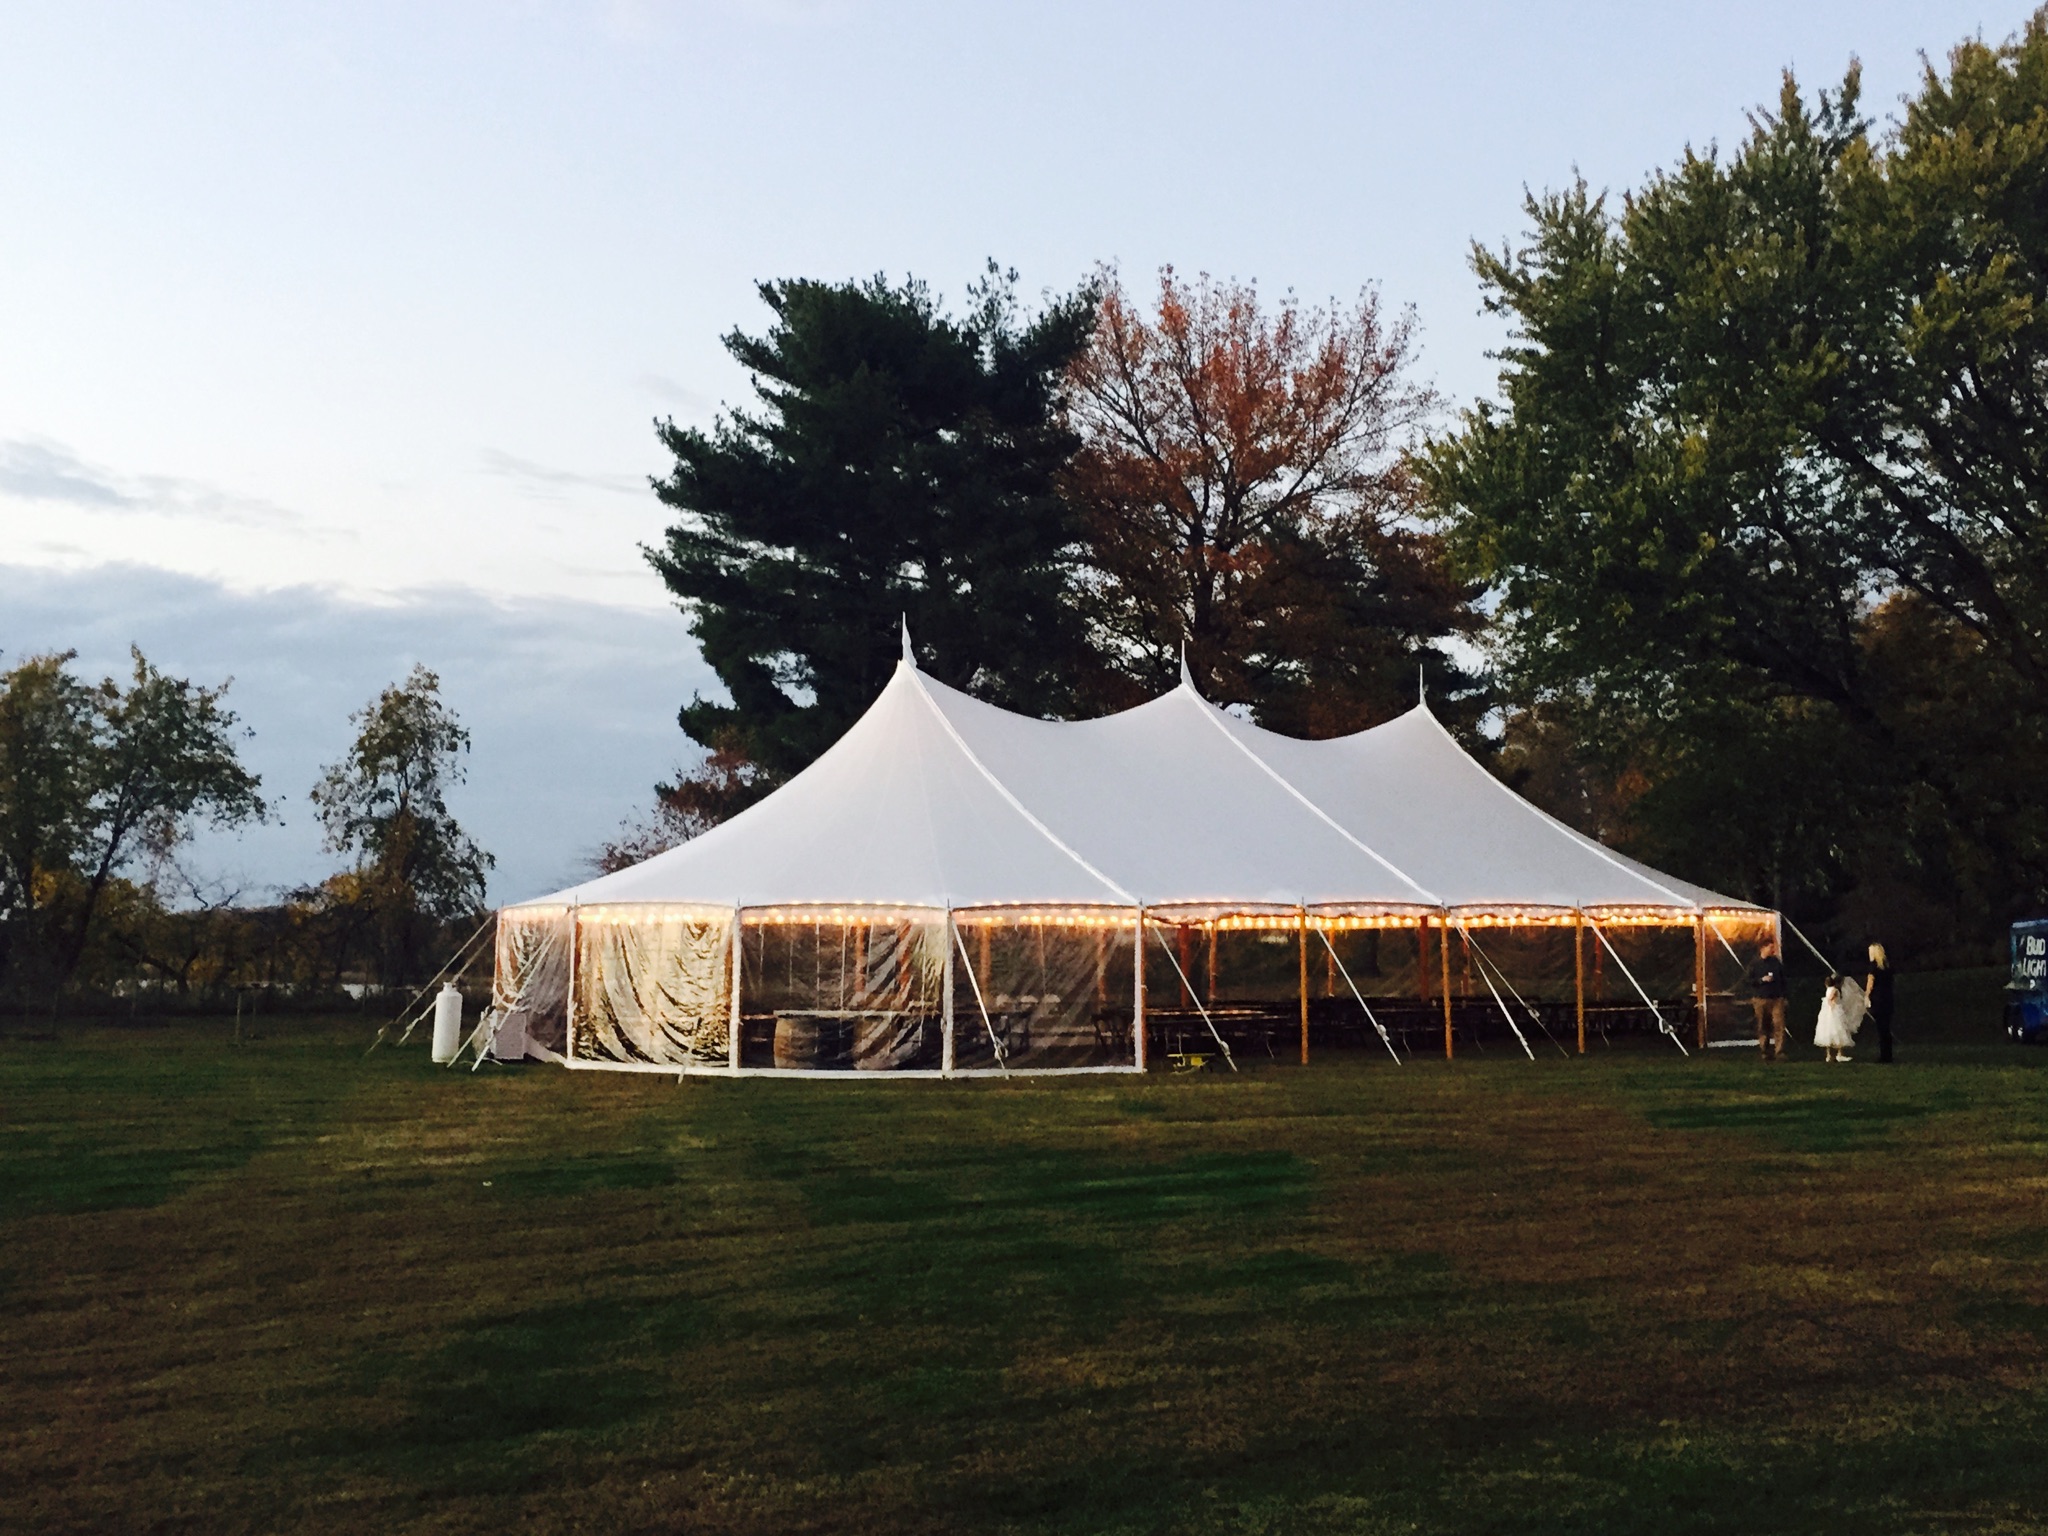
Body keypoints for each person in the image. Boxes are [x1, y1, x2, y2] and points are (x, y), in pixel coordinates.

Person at [1747, 940, 1788, 1060]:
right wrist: (1761, 980)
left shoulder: (1776, 962)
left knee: (1779, 1024)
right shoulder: (1754, 964)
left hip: (1776, 998)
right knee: (1763, 1025)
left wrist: (1784, 996)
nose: (1773, 950)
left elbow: (1783, 979)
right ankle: (1764, 1050)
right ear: (1763, 948)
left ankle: (1779, 1051)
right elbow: (1748, 980)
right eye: (1770, 947)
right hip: (1761, 999)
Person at [1814, 972, 1867, 1062]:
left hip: (1827, 1014)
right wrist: (1832, 1003)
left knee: (1829, 1033)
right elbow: (1831, 999)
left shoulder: (1828, 989)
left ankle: (1829, 1055)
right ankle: (1839, 1054)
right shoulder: (1835, 990)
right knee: (1839, 1031)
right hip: (1835, 1013)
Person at [1865, 941, 1896, 1063]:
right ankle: (1888, 1054)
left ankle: (1884, 1056)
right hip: (1888, 999)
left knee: (1881, 1029)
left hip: (1878, 1000)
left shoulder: (1873, 967)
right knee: (1886, 1029)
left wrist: (1867, 995)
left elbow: (1870, 982)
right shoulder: (1887, 967)